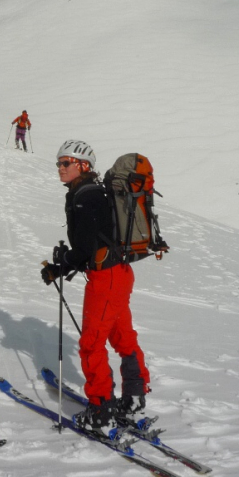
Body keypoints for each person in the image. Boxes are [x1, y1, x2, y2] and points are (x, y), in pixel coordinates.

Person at [41, 140, 150, 434]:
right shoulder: (93, 193)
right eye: (59, 163)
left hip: (106, 277)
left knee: (92, 343)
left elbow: (85, 248)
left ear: (84, 166)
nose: (61, 168)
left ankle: (101, 412)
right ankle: (134, 399)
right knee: (122, 335)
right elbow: (92, 244)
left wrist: (61, 263)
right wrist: (62, 266)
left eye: (67, 163)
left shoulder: (84, 197)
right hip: (119, 272)